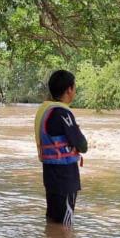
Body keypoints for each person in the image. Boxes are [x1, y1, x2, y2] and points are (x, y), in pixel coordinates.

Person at [34, 70, 88, 227]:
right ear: (69, 89)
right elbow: (82, 145)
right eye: (75, 88)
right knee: (65, 225)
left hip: (50, 174)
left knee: (52, 220)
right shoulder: (62, 113)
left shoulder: (46, 110)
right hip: (65, 177)